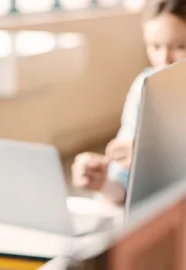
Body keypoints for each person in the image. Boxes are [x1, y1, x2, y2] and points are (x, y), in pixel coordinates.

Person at [71, 0, 186, 205]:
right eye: (155, 46)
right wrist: (102, 183)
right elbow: (122, 190)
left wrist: (150, 161)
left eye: (180, 46)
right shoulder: (144, 87)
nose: (164, 59)